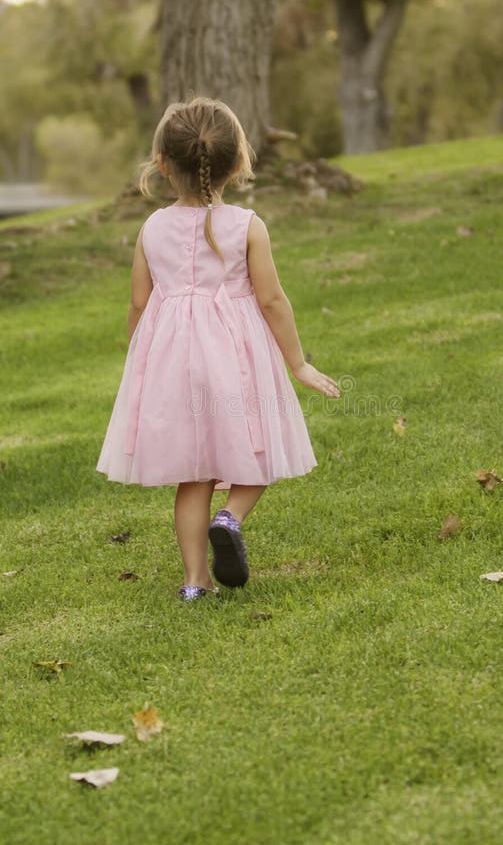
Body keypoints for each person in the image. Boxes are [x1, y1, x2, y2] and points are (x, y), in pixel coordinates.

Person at [96, 96, 340, 601]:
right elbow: (271, 300)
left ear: (162, 165)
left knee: (195, 475)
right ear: (237, 163)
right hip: (237, 358)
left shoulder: (151, 228)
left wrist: (140, 366)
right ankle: (230, 518)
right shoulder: (247, 226)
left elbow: (139, 304)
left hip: (174, 365)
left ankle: (194, 583)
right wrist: (299, 364)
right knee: (260, 451)